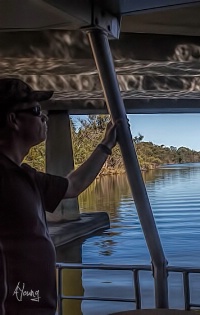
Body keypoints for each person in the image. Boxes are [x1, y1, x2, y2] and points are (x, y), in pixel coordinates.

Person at [0, 78, 118, 315]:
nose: (44, 117)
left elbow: (73, 185)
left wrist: (106, 144)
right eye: (36, 111)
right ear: (13, 120)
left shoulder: (26, 176)